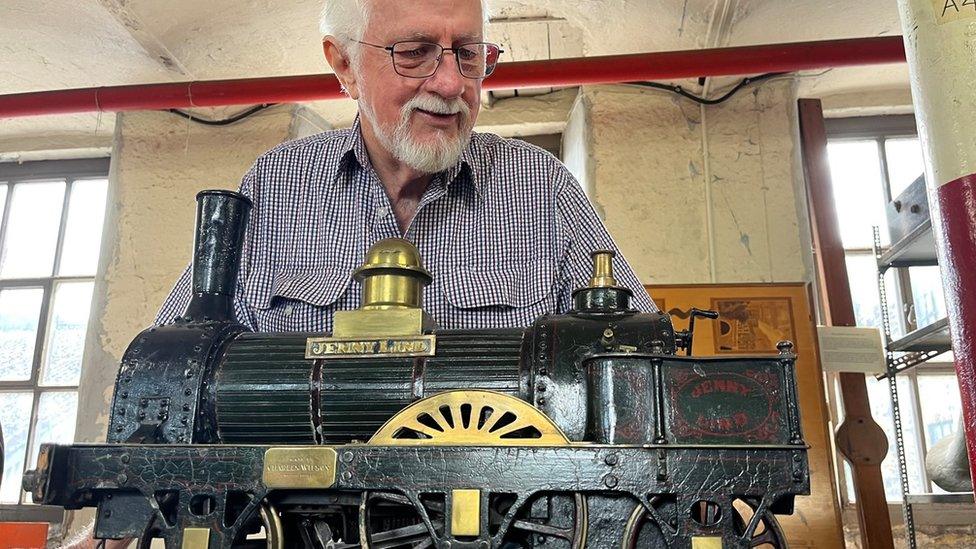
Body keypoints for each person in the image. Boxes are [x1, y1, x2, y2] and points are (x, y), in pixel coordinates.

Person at [154, 0, 655, 331]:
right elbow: (175, 363)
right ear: (344, 65)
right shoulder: (276, 185)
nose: (451, 84)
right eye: (415, 54)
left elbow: (642, 357)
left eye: (468, 53)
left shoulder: (542, 188)